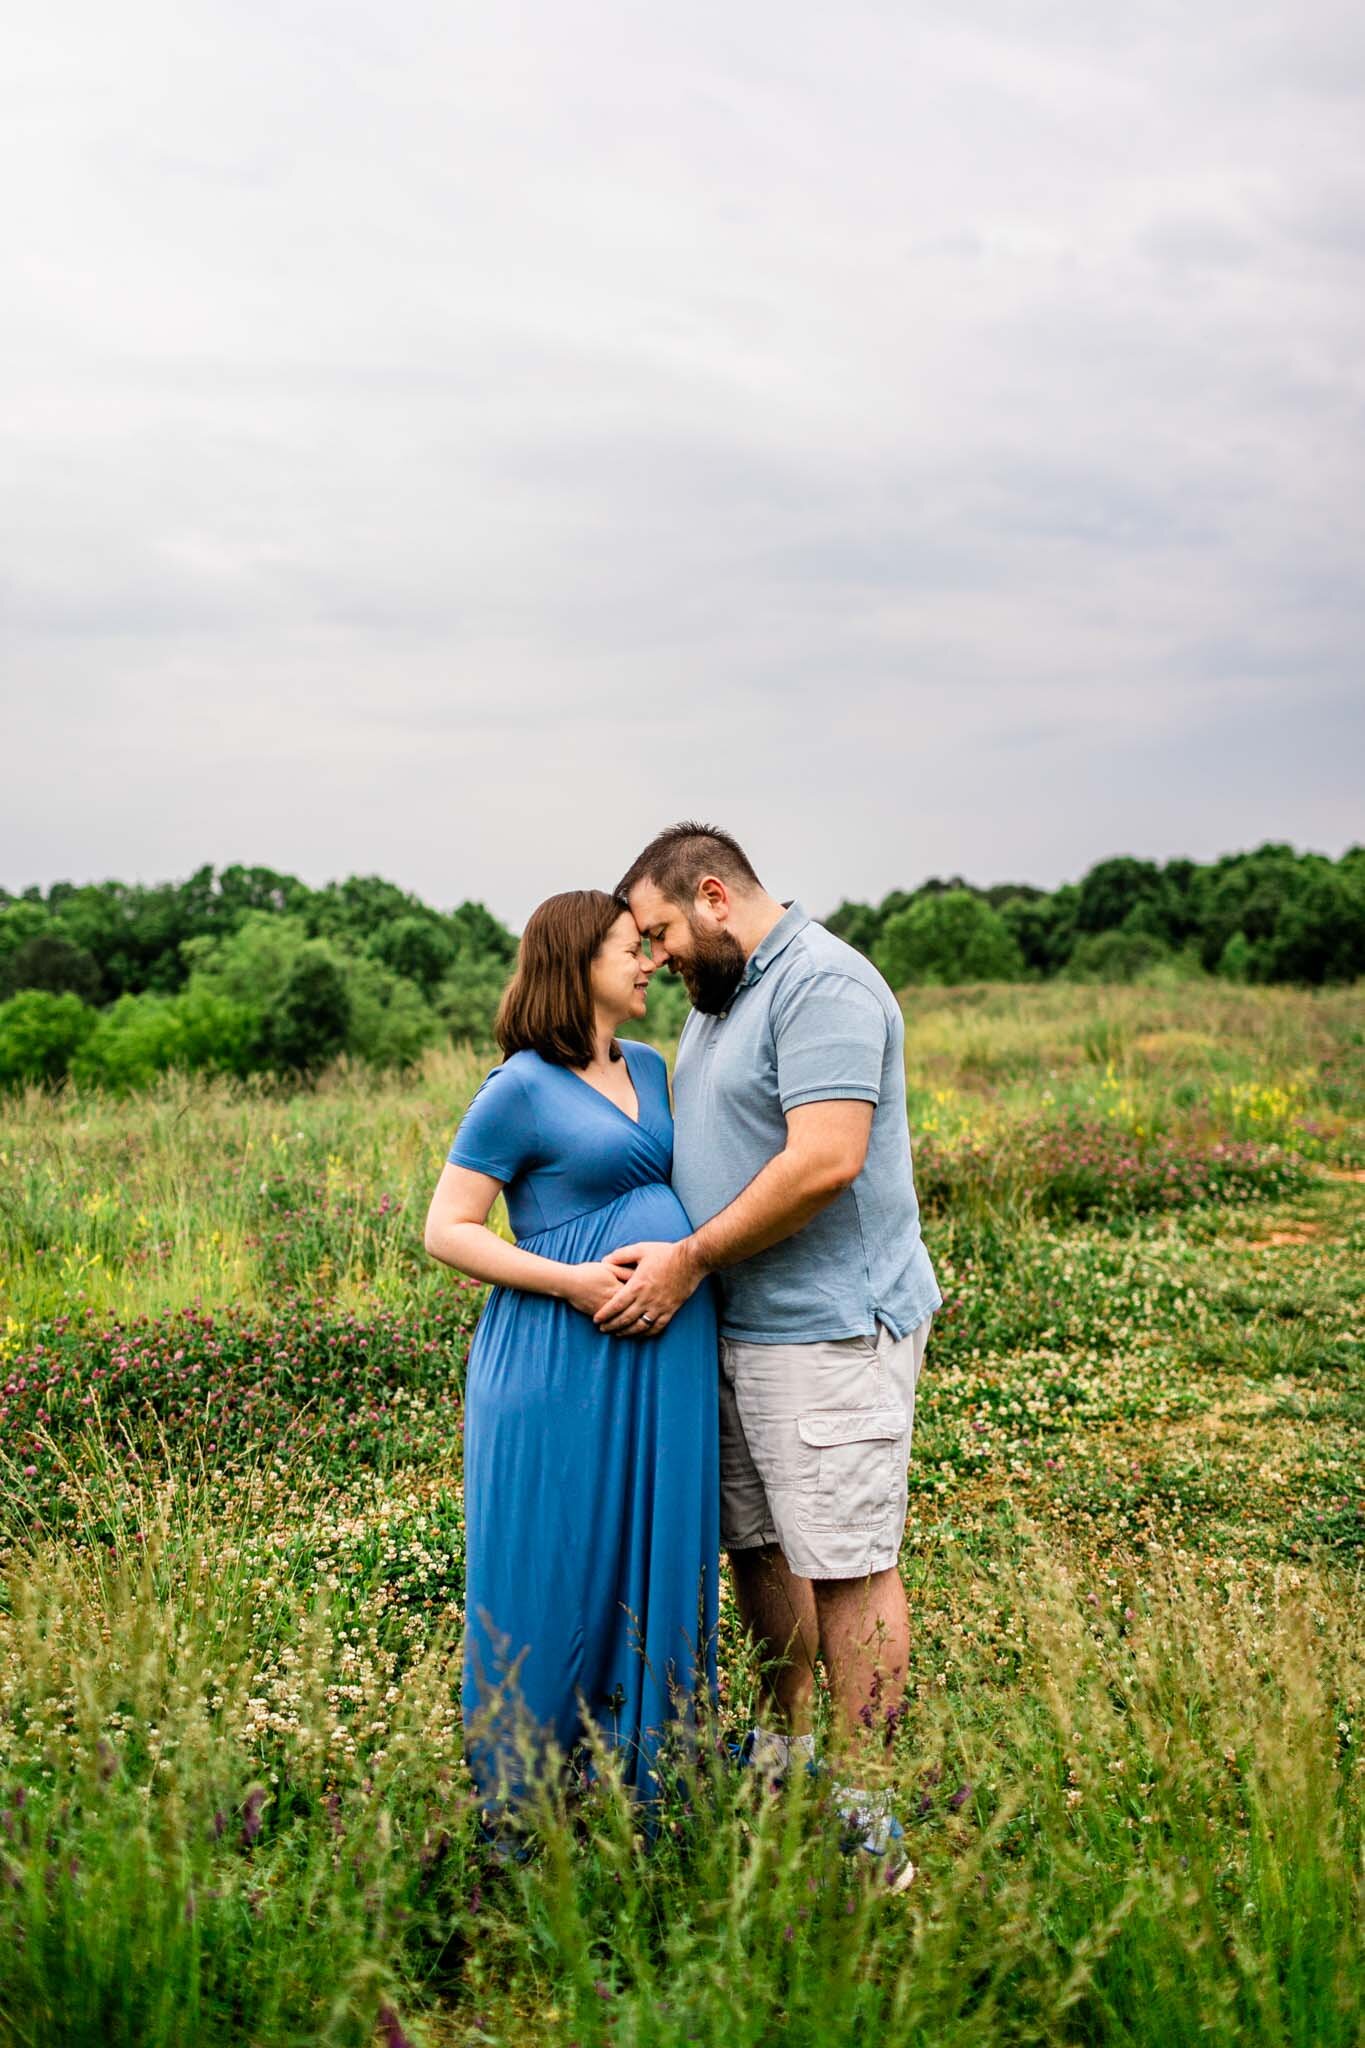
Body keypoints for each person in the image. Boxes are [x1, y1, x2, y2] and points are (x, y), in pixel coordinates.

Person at [602, 824, 941, 1890]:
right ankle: (791, 1760)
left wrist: (691, 1256)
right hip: (741, 1326)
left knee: (847, 1561)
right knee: (759, 1547)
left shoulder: (824, 984)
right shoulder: (723, 1001)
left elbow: (826, 1160)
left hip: (831, 1326)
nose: (655, 959)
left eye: (660, 933)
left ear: (714, 896)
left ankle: (870, 1813)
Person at [423, 890, 719, 1832]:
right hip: (556, 1354)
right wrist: (572, 1281)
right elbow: (446, 1230)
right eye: (632, 950)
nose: (650, 964)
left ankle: (650, 1774)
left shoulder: (652, 1067)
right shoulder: (517, 1087)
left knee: (654, 1547)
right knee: (552, 1563)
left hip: (660, 1358)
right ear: (576, 963)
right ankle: (524, 1802)